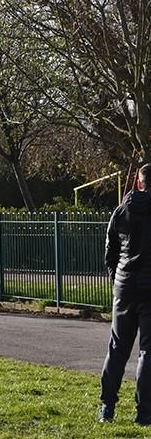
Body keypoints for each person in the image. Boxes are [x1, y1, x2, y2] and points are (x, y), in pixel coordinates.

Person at [99, 163, 151, 424]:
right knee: (148, 352)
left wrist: (116, 278)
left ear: (139, 183)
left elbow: (110, 251)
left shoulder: (121, 211)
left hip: (124, 285)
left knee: (118, 348)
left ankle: (107, 407)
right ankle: (144, 413)